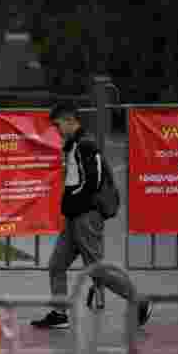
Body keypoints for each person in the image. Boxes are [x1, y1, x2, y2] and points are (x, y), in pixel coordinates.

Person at [31, 102, 152, 329]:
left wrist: (73, 200)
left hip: (86, 216)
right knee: (57, 265)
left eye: (58, 126)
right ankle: (59, 313)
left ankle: (140, 300)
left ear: (70, 121)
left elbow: (93, 181)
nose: (57, 131)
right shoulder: (73, 145)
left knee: (97, 270)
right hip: (73, 217)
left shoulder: (86, 145)